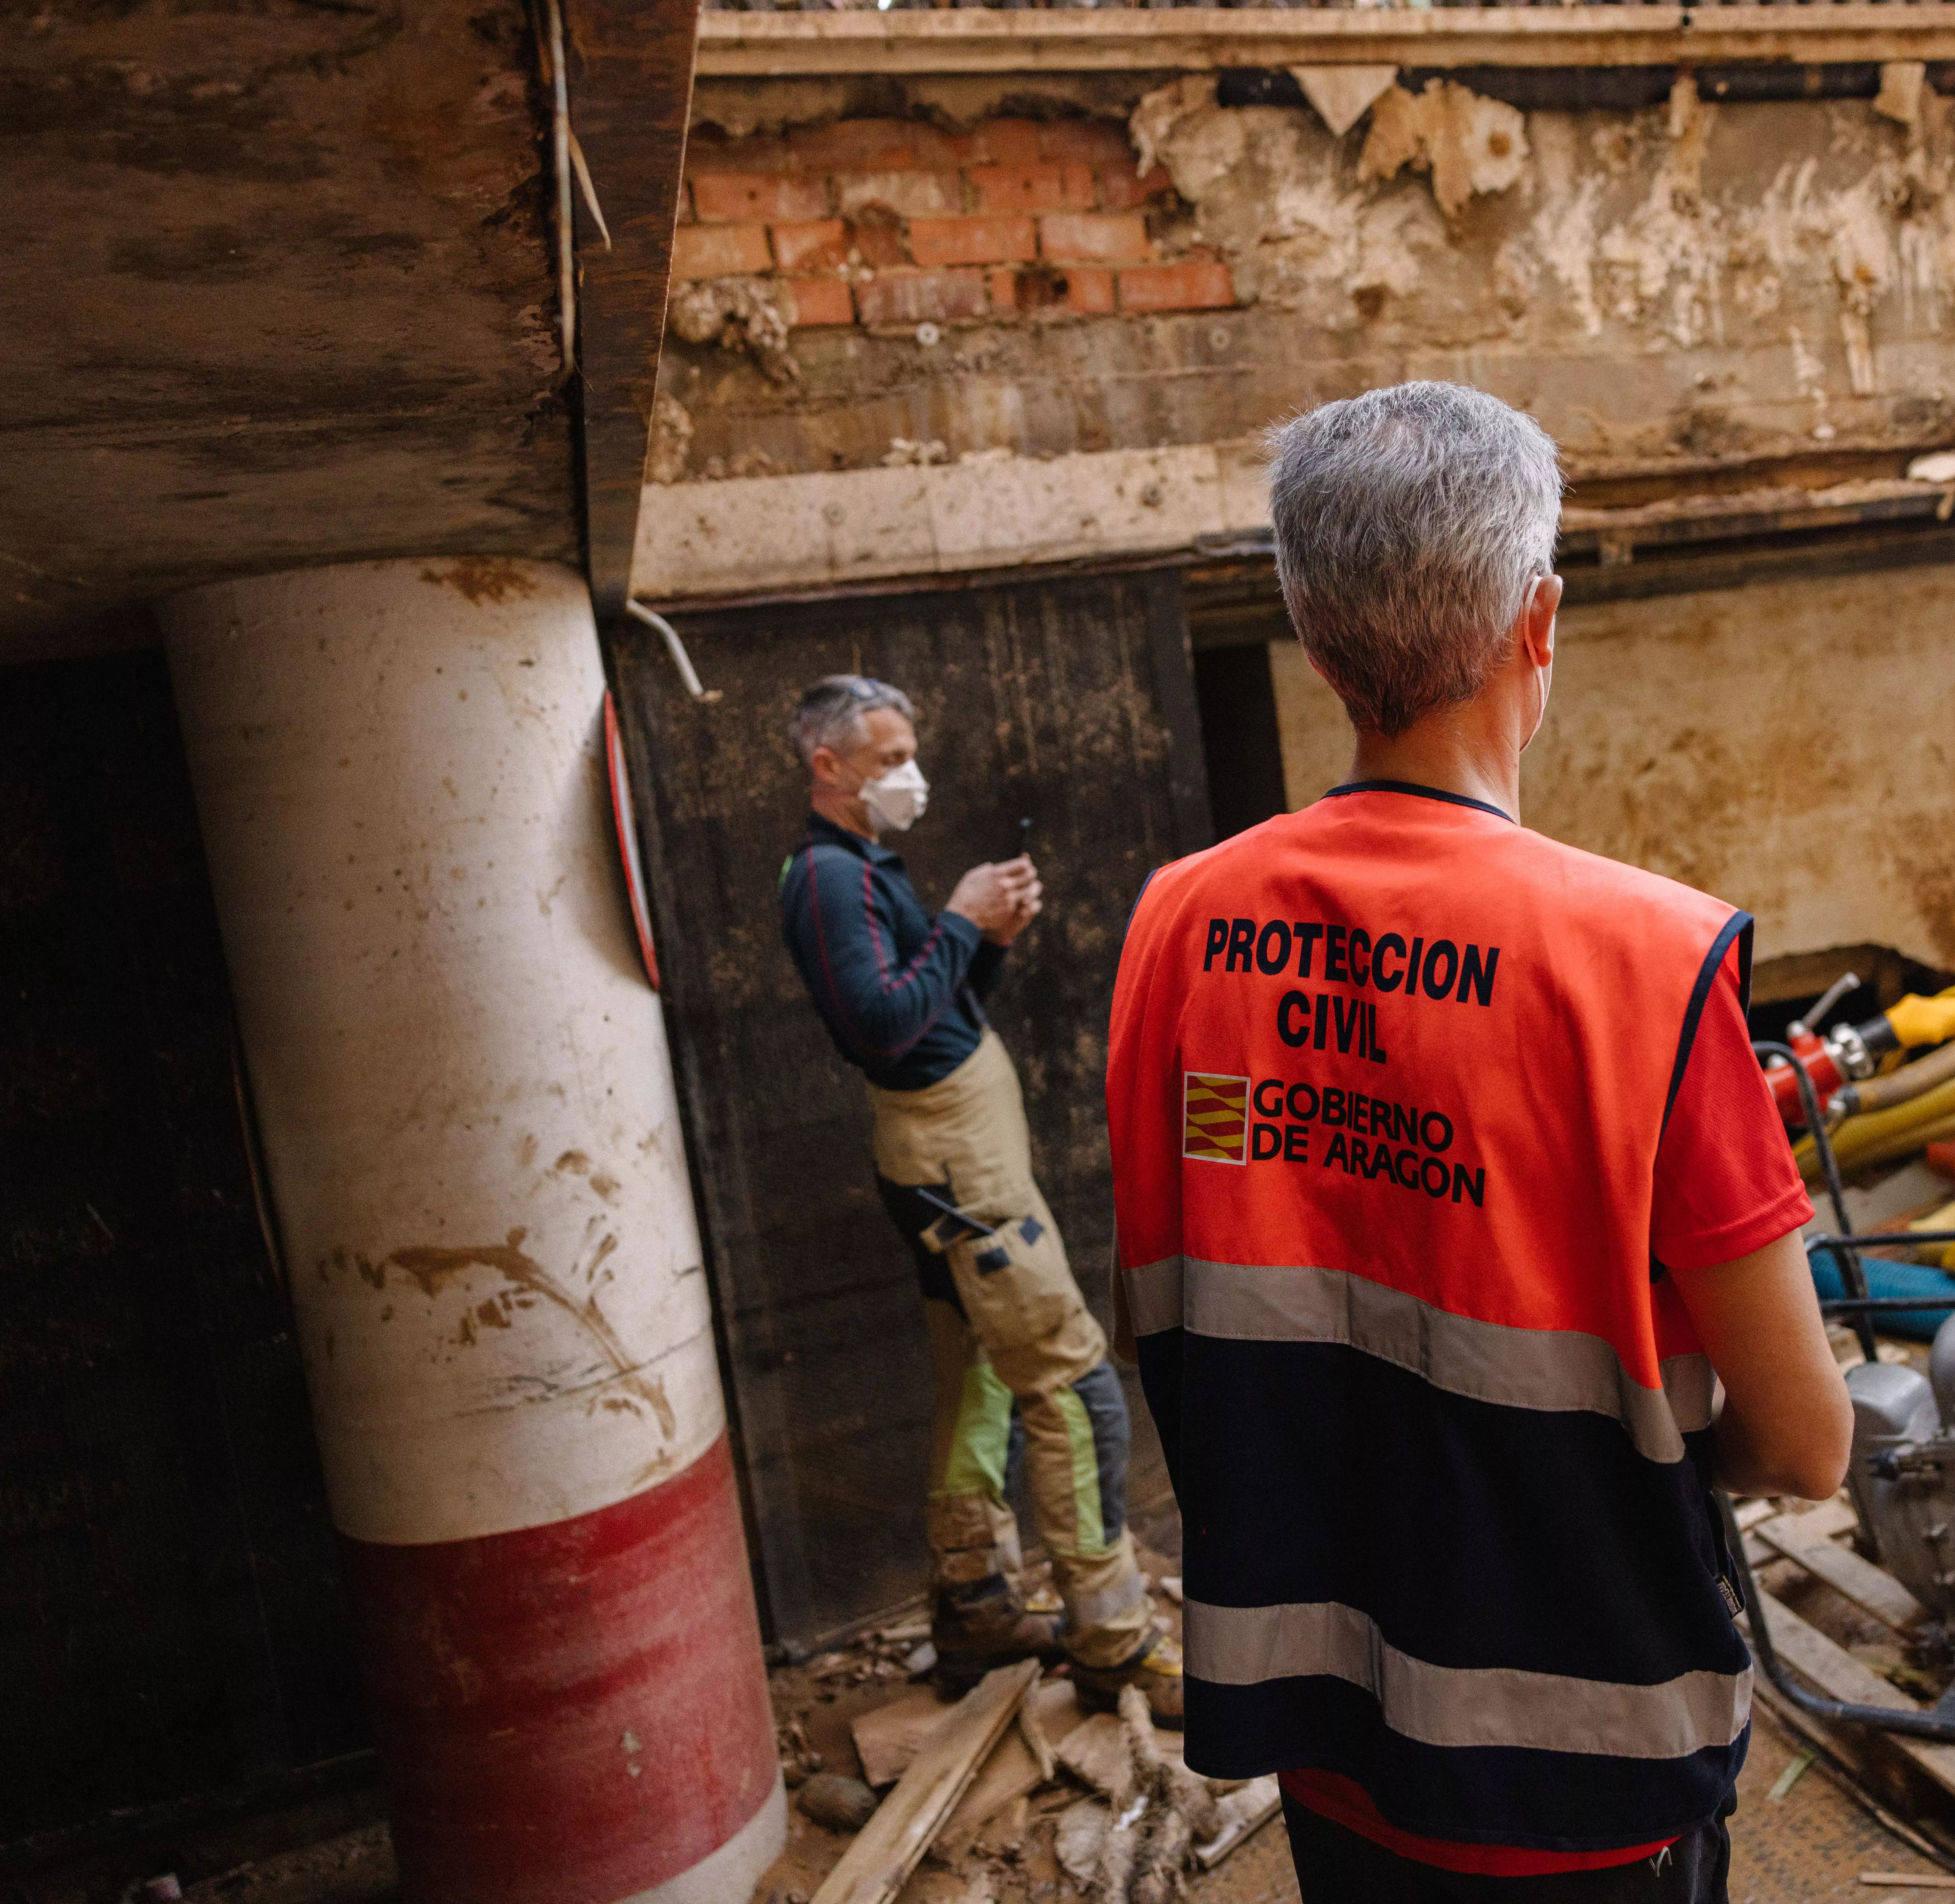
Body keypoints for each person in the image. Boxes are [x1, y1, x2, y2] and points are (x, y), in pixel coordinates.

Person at [1104, 383, 1849, 1895]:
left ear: (1314, 642)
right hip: (1585, 1776)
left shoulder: (1173, 927)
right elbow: (1805, 1441)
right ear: (1538, 620)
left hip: (1327, 1737)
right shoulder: (1645, 963)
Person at [779, 675, 1181, 1719]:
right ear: (828, 767)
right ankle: (1113, 1637)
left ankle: (974, 1601)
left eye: (911, 751)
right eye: (887, 757)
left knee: (979, 1379)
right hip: (959, 1173)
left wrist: (984, 945)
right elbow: (878, 1026)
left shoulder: (862, 868)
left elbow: (930, 1012)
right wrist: (961, 918)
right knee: (1075, 1384)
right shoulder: (825, 878)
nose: (908, 774)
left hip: (953, 1161)